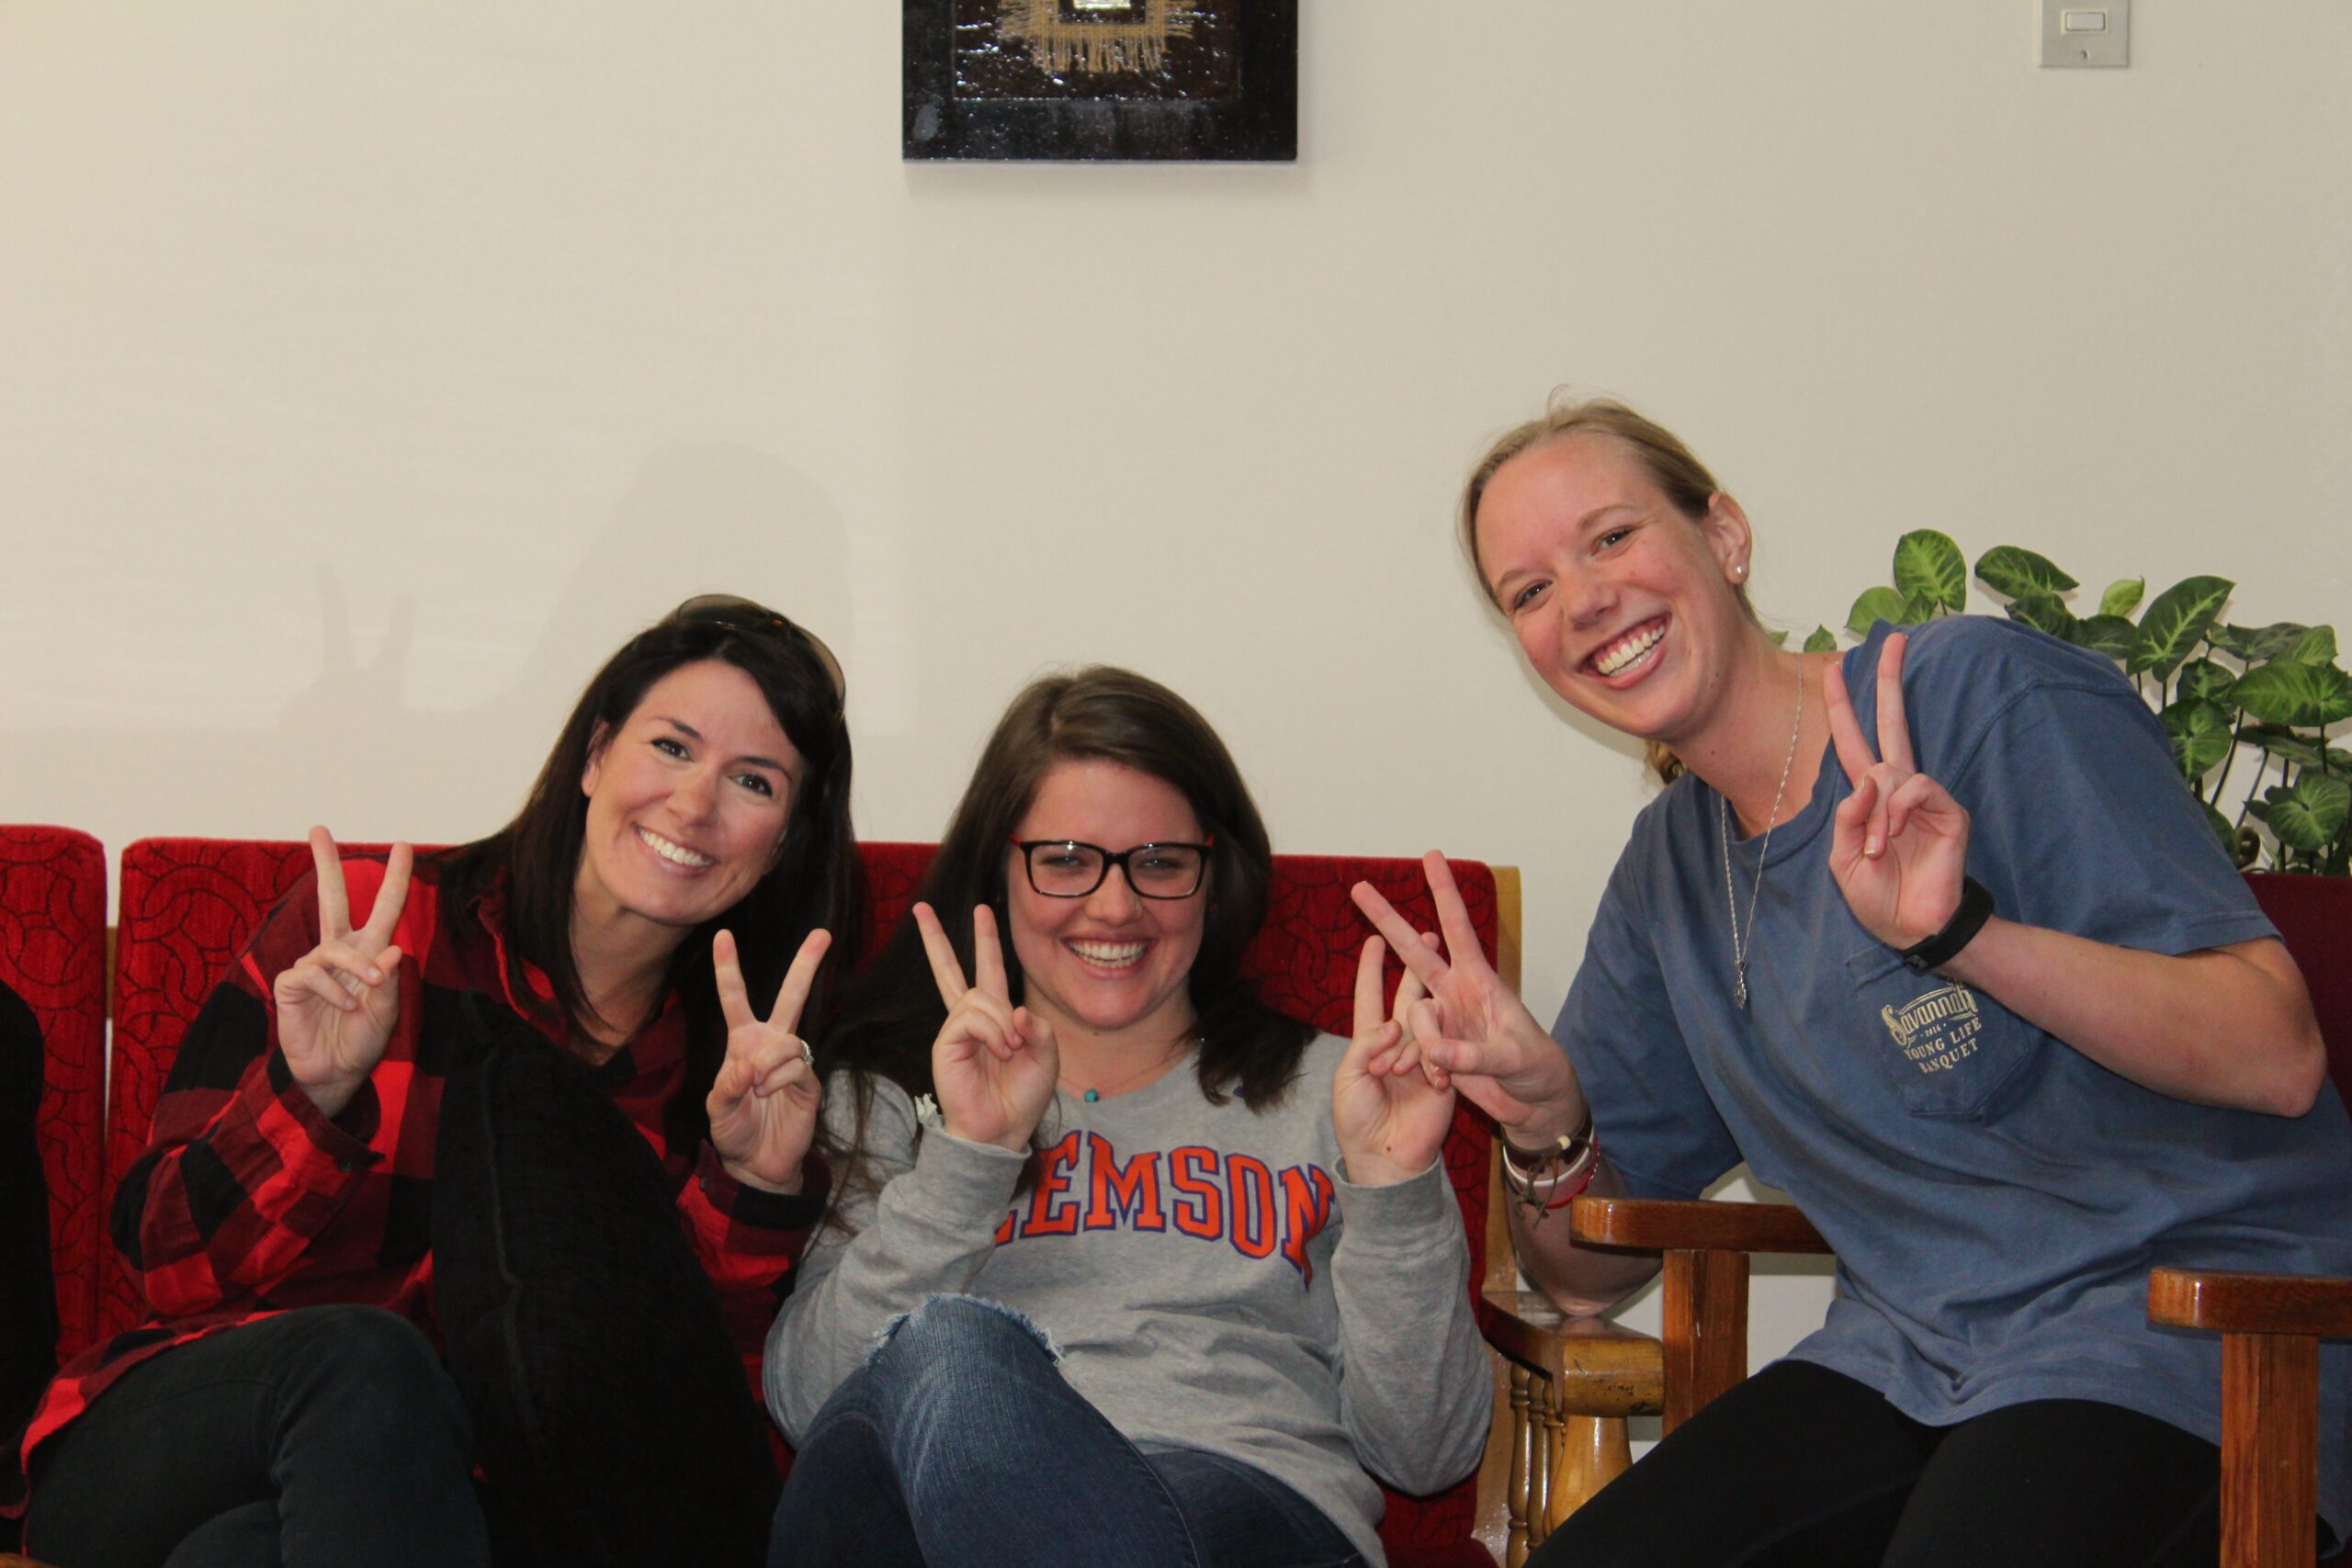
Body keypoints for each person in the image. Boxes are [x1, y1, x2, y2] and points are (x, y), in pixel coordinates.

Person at [1353, 399, 2352, 1568]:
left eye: (1611, 537)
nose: (1581, 601)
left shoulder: (1972, 696)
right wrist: (1544, 1124)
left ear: (1724, 536)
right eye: (1528, 591)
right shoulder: (1668, 870)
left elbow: (2274, 1055)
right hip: (1906, 1360)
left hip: (2185, 1338)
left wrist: (1962, 936)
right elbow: (1587, 1271)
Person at [16, 595, 863, 1568]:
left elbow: (675, 1438)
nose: (696, 803)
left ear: (785, 838)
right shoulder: (373, 934)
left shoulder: (749, 1069)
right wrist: (309, 1097)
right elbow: (167, 1265)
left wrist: (751, 1185)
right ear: (595, 758)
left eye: (753, 781)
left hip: (444, 1499)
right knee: (371, 1363)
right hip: (190, 1429)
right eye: (671, 747)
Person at [764, 666, 1488, 1568]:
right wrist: (967, 1160)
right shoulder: (881, 1095)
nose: (1115, 905)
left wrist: (1394, 1192)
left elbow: (1427, 1452)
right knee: (944, 1348)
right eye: (1067, 860)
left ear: (1213, 879)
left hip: (1246, 1511)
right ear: (999, 870)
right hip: (937, 1522)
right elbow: (810, 1404)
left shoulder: (1346, 1093)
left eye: (1160, 862)